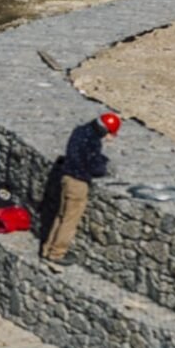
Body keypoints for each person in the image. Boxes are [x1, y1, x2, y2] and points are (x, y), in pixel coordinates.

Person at [41, 112, 120, 267]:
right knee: (70, 220)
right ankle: (57, 253)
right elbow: (94, 166)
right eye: (111, 134)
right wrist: (104, 165)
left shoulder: (81, 131)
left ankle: (47, 249)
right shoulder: (93, 142)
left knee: (61, 215)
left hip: (66, 177)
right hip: (77, 183)